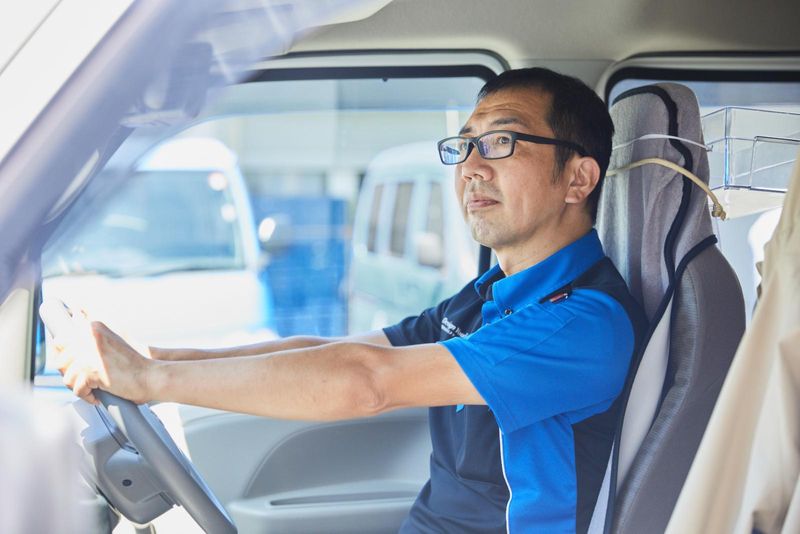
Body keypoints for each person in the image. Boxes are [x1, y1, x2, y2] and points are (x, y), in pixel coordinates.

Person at [51, 67, 646, 533]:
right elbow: (333, 350)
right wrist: (154, 360)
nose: (469, 168)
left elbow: (366, 380)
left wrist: (152, 380)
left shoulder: (582, 324)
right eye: (464, 146)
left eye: (500, 142)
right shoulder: (488, 296)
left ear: (578, 179)